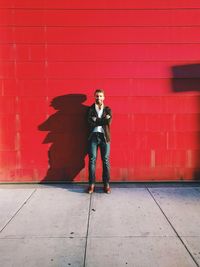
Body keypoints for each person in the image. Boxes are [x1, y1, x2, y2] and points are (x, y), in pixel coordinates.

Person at [87, 89, 112, 194]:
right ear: (94, 97)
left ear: (104, 97)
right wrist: (102, 121)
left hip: (105, 137)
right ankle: (91, 184)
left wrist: (96, 120)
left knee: (105, 160)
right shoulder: (90, 109)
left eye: (101, 96)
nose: (99, 98)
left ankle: (106, 184)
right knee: (92, 160)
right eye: (97, 96)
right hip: (93, 136)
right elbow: (89, 123)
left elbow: (108, 121)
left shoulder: (108, 109)